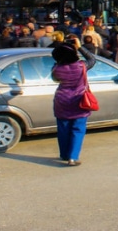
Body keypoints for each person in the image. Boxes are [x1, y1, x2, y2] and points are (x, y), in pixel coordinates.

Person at [51, 35, 96, 166]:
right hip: (79, 100)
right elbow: (92, 59)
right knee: (78, 128)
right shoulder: (82, 66)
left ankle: (64, 154)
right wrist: (80, 46)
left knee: (63, 129)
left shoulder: (56, 69)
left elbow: (55, 79)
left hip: (61, 100)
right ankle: (73, 157)